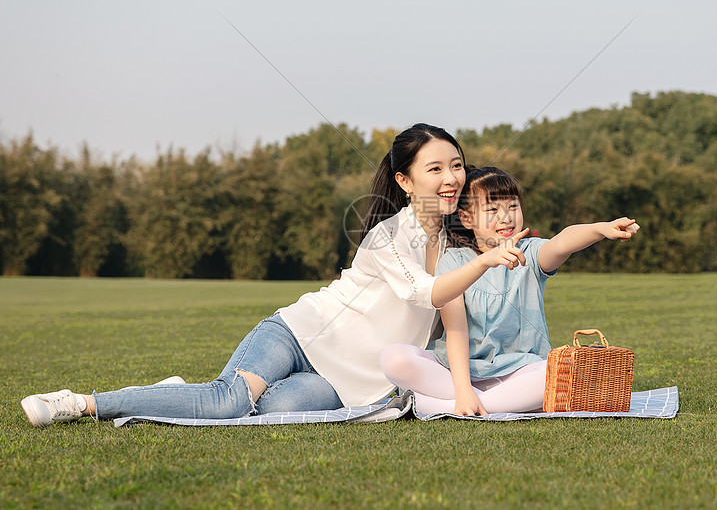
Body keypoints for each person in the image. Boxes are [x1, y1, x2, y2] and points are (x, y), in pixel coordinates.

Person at [20, 125, 530, 427]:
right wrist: (486, 260)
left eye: (457, 166)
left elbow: (461, 304)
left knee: (258, 416)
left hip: (345, 381)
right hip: (300, 333)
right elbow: (428, 292)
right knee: (228, 402)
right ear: (404, 180)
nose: (451, 178)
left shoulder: (458, 245)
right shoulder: (387, 237)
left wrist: (498, 249)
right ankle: (81, 404)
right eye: (435, 168)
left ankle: (172, 390)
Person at [380, 166, 639, 415]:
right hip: (457, 372)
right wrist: (464, 389)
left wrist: (600, 229)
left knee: (558, 372)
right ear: (467, 218)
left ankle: (438, 406)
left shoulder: (530, 253)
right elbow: (456, 329)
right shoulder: (454, 261)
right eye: (492, 209)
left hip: (521, 372)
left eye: (512, 207)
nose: (506, 217)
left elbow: (562, 242)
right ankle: (480, 401)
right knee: (394, 358)